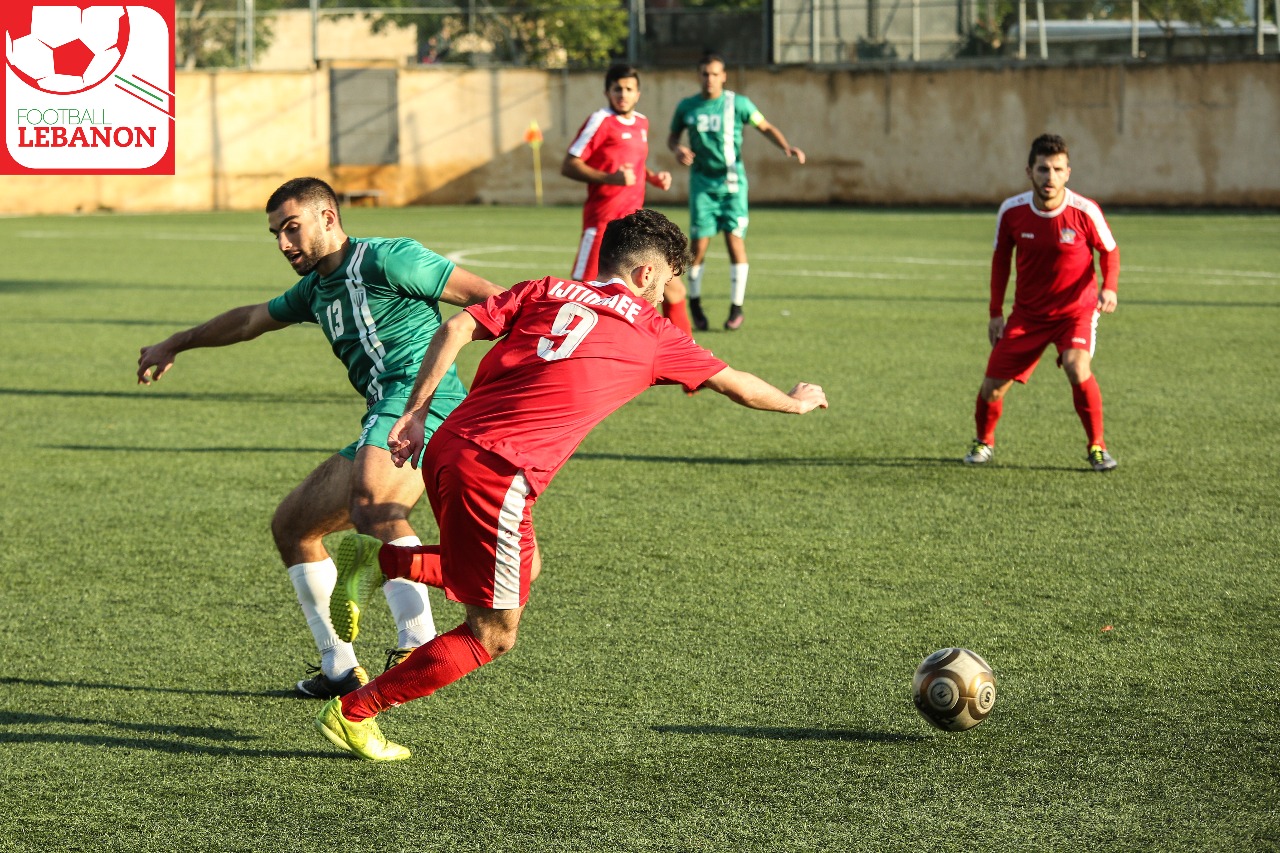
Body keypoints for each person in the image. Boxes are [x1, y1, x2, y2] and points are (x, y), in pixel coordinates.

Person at [312, 209, 828, 760]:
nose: (667, 291)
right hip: (499, 473)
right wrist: (795, 403)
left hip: (449, 444)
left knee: (524, 566)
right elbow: (736, 385)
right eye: (671, 277)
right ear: (647, 274)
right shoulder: (654, 333)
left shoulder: (546, 288)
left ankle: (383, 563)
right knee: (492, 634)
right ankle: (354, 712)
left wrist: (415, 414)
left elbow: (456, 326)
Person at [136, 177, 503, 698]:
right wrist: (178, 341)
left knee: (375, 504)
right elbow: (248, 320)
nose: (285, 244)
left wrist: (501, 378)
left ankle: (417, 636)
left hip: (427, 406)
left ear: (328, 218)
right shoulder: (315, 289)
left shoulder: (389, 260)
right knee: (294, 526)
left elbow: (492, 301)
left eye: (292, 228)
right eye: (276, 235)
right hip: (382, 417)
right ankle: (338, 667)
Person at [964, 134, 1120, 472]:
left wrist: (1109, 287)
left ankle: (1097, 447)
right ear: (1029, 172)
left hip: (1075, 311)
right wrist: (995, 313)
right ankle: (983, 442)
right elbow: (1000, 262)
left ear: (1068, 173)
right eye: (1043, 169)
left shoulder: (1084, 210)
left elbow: (1108, 251)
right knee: (991, 388)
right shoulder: (1012, 211)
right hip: (1028, 315)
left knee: (1078, 367)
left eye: (1057, 169)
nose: (1049, 177)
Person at [667, 51, 805, 332]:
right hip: (703, 186)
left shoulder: (737, 104)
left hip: (733, 186)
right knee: (698, 247)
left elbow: (763, 125)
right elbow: (672, 137)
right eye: (705, 74)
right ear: (699, 76)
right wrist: (677, 149)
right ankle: (694, 302)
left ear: (724, 76)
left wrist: (785, 146)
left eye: (715, 74)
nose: (710, 79)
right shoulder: (687, 107)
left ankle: (736, 307)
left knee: (735, 243)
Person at [561, 62, 692, 338]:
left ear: (638, 93)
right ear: (607, 92)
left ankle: (689, 368)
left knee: (672, 287)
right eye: (617, 89)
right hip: (603, 226)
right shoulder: (600, 121)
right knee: (584, 294)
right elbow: (570, 165)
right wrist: (611, 179)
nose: (623, 94)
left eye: (629, 89)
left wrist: (654, 178)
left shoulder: (642, 122)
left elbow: (635, 164)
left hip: (637, 227)